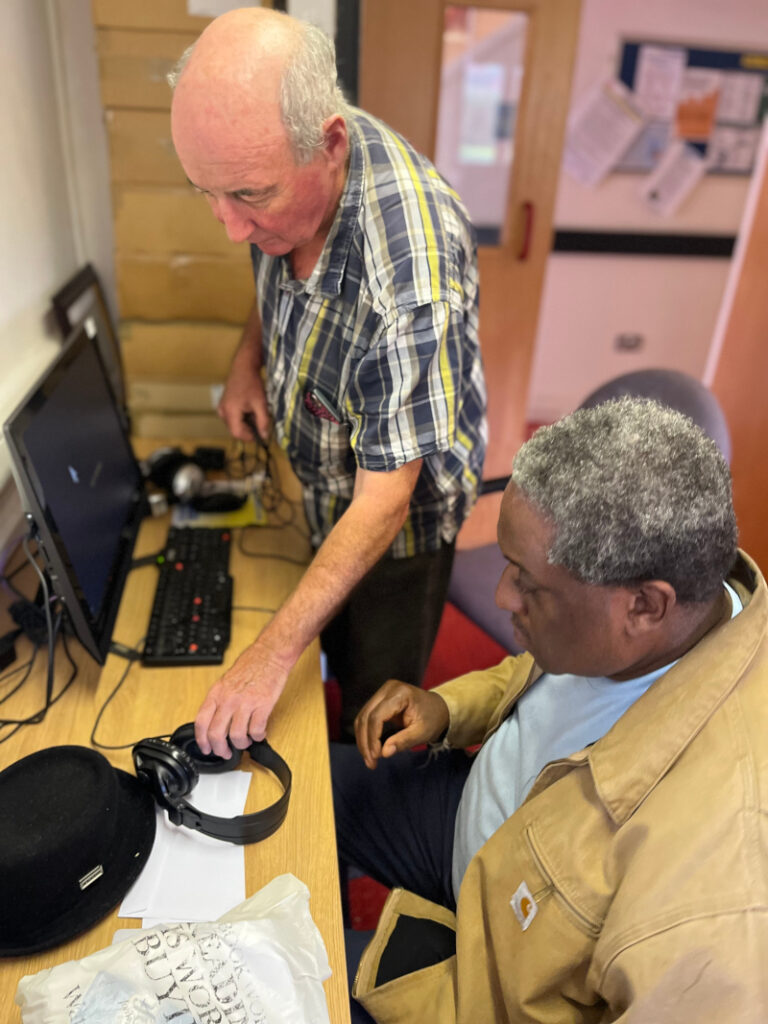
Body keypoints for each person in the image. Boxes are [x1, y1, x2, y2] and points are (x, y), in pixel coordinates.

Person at [332, 396, 768, 1023]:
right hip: (471, 824)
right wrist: (449, 707)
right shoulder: (664, 621)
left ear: (645, 606)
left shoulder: (713, 888)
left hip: (493, 972)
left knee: (272, 979)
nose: (502, 596)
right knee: (287, 786)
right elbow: (540, 674)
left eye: (528, 582)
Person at [168, 8, 486, 754]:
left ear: (331, 145)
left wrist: (271, 656)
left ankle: (357, 835)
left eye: (247, 196)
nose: (230, 228)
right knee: (317, 648)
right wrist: (248, 358)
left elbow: (384, 498)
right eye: (205, 193)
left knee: (370, 711)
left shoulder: (413, 272)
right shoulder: (277, 158)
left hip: (401, 518)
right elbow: (272, 255)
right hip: (325, 474)